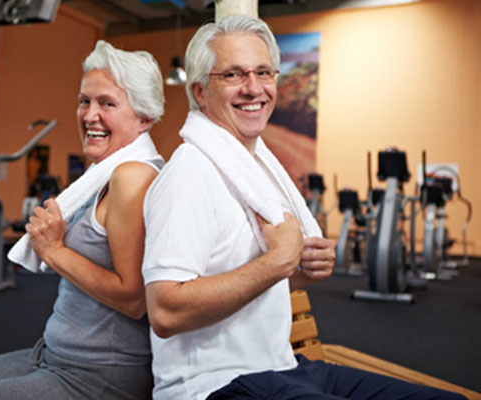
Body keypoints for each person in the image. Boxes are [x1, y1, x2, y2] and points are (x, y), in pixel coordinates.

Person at [142, 15, 466, 400]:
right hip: (217, 386)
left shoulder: (255, 171)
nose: (254, 88)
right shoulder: (189, 175)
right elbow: (165, 311)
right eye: (233, 75)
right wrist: (280, 261)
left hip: (284, 367)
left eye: (264, 72)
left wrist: (299, 271)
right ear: (199, 91)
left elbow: (240, 278)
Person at [0, 40, 165, 400]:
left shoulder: (132, 177)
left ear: (144, 118)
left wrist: (54, 250)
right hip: (53, 354)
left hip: (97, 376)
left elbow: (134, 298)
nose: (90, 114)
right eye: (84, 101)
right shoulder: (103, 173)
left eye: (107, 103)